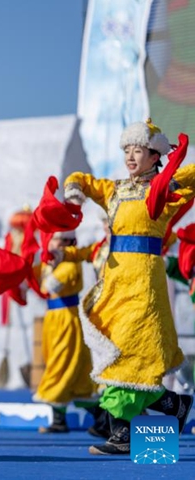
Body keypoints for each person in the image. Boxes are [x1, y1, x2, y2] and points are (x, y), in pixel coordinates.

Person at [59, 119, 194, 454]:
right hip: (115, 281)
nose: (131, 156)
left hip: (145, 281)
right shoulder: (115, 189)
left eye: (138, 150)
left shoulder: (165, 190)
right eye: (127, 150)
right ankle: (174, 406)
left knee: (133, 350)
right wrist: (74, 191)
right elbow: (81, 179)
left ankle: (123, 434)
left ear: (154, 156)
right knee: (115, 348)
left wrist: (174, 168)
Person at [33, 230, 100, 434]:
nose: (57, 244)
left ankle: (94, 417)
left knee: (61, 364)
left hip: (67, 318)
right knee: (65, 366)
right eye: (54, 239)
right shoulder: (50, 262)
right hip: (52, 317)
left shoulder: (69, 264)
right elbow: (34, 277)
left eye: (62, 240)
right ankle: (68, 419)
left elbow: (50, 285)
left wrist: (48, 269)